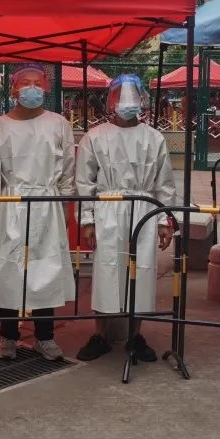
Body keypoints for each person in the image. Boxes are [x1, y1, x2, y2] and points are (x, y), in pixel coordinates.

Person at [74, 75, 178, 362]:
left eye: (133, 96)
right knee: (106, 269)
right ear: (111, 100)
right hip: (107, 208)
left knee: (142, 270)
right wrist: (87, 220)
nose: (127, 102)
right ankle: (100, 334)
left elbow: (164, 183)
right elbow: (84, 182)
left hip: (143, 209)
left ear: (142, 100)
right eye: (122, 96)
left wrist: (163, 220)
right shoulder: (95, 137)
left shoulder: (154, 138)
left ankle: (135, 335)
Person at [0, 64, 76, 361]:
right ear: (14, 89)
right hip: (9, 203)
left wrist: (65, 204)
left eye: (37, 83)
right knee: (8, 269)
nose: (32, 89)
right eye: (25, 83)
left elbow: (68, 169)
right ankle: (8, 335)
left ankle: (45, 336)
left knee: (46, 268)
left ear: (45, 89)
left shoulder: (59, 124)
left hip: (47, 203)